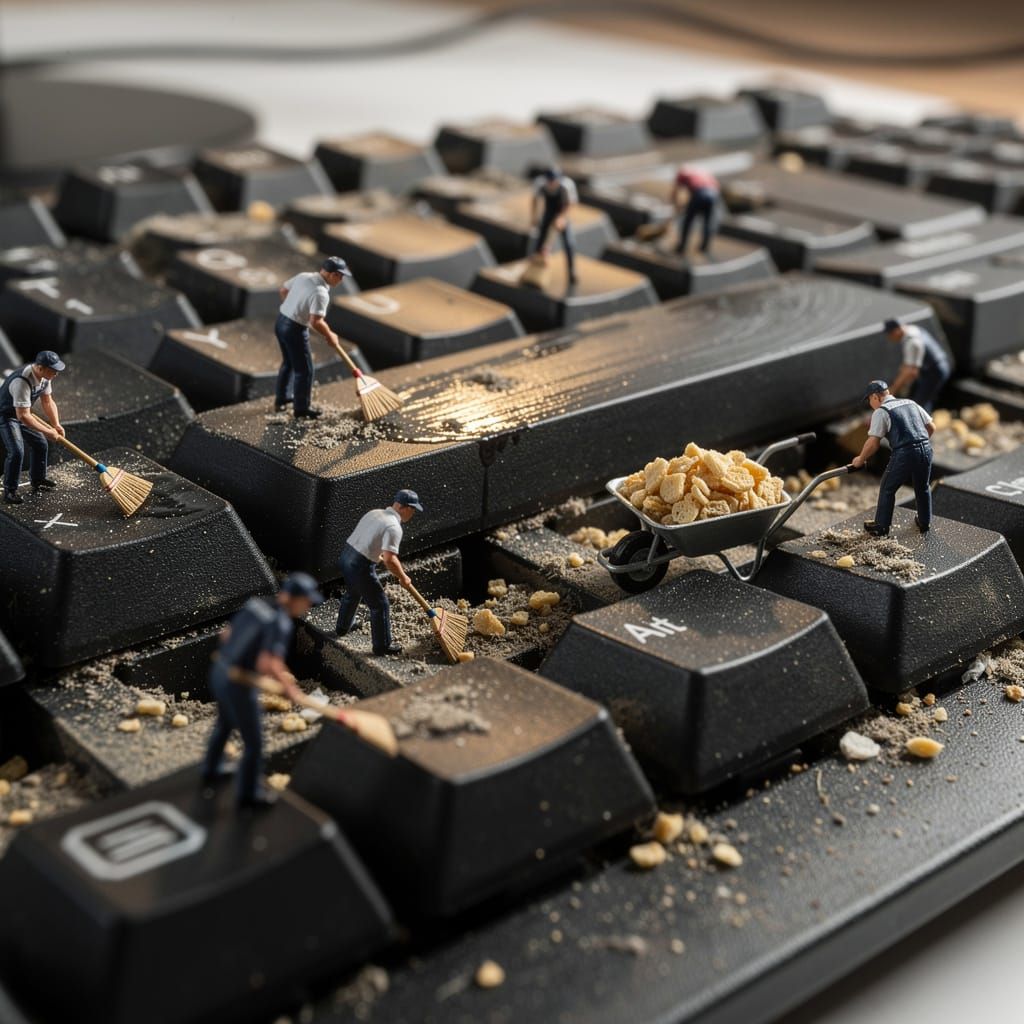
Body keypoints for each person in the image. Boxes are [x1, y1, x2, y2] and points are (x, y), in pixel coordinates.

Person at [202, 573, 323, 809]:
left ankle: (211, 768)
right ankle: (249, 795)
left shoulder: (257, 603)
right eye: (306, 602)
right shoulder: (280, 622)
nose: (307, 607)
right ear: (293, 598)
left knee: (224, 724)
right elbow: (267, 663)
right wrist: (289, 688)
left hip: (220, 671)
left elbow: (226, 634)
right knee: (255, 744)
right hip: (239, 684)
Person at [335, 489, 424, 656]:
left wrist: (376, 555)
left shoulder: (374, 513)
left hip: (346, 557)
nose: (412, 514)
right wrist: (403, 577)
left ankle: (342, 627)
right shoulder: (394, 527)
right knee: (380, 605)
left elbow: (367, 539)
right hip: (360, 565)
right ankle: (382, 646)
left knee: (353, 593)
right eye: (413, 510)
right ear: (405, 508)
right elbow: (390, 559)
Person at [852, 380, 935, 538]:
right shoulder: (911, 403)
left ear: (876, 397)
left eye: (869, 400)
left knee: (887, 488)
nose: (870, 404)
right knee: (923, 486)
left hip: (904, 453)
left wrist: (861, 459)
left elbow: (873, 442)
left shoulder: (881, 412)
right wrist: (919, 441)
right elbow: (931, 427)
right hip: (926, 449)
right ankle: (925, 521)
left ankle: (881, 527)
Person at [275, 255, 353, 419]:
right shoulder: (321, 293)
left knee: (288, 363)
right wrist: (329, 334)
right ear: (333, 274)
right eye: (341, 276)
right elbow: (316, 322)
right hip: (295, 329)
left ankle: (281, 399)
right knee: (305, 370)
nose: (341, 280)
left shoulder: (303, 276)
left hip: (281, 321)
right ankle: (301, 409)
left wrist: (293, 307)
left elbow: (283, 290)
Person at [0, 350, 66, 505]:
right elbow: (23, 416)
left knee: (41, 444)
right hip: (6, 415)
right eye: (53, 370)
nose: (56, 374)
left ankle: (38, 479)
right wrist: (48, 431)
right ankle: (10, 490)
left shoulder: (45, 377)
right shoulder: (22, 382)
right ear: (40, 367)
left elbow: (47, 402)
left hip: (23, 413)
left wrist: (55, 424)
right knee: (16, 452)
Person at [883, 318, 951, 414]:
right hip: (931, 368)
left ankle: (924, 427)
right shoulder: (912, 329)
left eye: (890, 334)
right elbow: (908, 365)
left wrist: (893, 390)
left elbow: (911, 371)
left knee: (919, 405)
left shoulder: (912, 342)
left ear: (896, 331)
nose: (889, 338)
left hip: (934, 371)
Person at [530, 167, 578, 285]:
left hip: (562, 211)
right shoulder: (539, 184)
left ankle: (572, 272)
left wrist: (561, 218)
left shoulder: (567, 185)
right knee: (540, 243)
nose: (552, 184)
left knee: (569, 244)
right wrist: (535, 216)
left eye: (554, 181)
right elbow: (535, 199)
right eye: (550, 181)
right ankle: (535, 272)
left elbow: (570, 203)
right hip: (549, 212)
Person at [672, 163, 721, 256]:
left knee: (688, 221)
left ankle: (682, 246)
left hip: (700, 193)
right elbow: (717, 185)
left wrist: (676, 205)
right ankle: (704, 247)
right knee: (707, 221)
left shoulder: (682, 173)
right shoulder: (702, 171)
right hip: (713, 194)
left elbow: (676, 191)